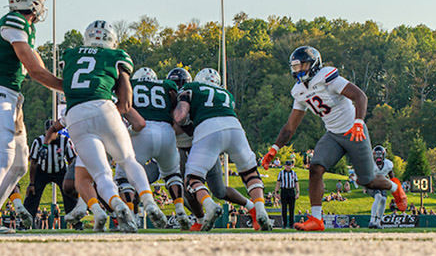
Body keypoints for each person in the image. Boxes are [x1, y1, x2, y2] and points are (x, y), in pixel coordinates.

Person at [261, 46, 407, 231]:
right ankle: (316, 219)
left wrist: (359, 122)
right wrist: (275, 148)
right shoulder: (298, 90)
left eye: (302, 66)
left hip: (354, 131)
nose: (298, 71)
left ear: (314, 65)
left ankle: (395, 188)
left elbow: (360, 96)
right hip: (333, 134)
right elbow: (290, 126)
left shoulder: (327, 77)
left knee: (366, 180)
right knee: (315, 168)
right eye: (296, 67)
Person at [57, 20, 167, 231]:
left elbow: (68, 84)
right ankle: (149, 201)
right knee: (127, 160)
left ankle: (116, 204)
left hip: (75, 114)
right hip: (104, 107)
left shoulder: (71, 55)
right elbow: (125, 103)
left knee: (100, 175)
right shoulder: (116, 56)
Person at [0, 0, 63, 234]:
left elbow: (39, 67)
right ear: (34, 3)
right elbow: (35, 71)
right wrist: (69, 88)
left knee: (20, 164)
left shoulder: (24, 27)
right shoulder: (14, 22)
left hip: (11, 99)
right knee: (3, 157)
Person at [173, 68, 272, 230]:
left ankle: (211, 206)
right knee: (250, 173)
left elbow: (180, 116)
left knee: (192, 180)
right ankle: (260, 209)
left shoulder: (190, 89)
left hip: (206, 133)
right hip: (234, 128)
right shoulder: (226, 94)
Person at [113, 67, 187, 226]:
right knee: (172, 174)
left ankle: (131, 217)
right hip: (167, 130)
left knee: (123, 176)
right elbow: (175, 106)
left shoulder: (131, 84)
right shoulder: (167, 85)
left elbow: (123, 104)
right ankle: (180, 209)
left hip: (142, 131)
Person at [25, 119, 78, 223]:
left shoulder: (65, 141)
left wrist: (71, 177)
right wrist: (31, 183)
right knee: (33, 195)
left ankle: (76, 222)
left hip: (61, 171)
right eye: (48, 131)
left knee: (69, 194)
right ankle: (25, 221)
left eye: (53, 132)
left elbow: (72, 159)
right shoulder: (38, 142)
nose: (50, 134)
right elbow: (33, 163)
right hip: (42, 171)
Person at [366, 146, 398, 229]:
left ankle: (378, 222)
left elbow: (392, 176)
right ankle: (372, 221)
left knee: (383, 200)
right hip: (372, 183)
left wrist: (395, 186)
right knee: (378, 197)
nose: (378, 158)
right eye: (376, 155)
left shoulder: (388, 164)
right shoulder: (370, 164)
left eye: (380, 155)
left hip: (382, 183)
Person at [277, 159, 300, 229]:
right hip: (284, 190)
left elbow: (296, 183)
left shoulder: (294, 173)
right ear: (284, 166)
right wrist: (277, 192)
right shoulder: (281, 173)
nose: (288, 167)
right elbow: (278, 182)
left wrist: (298, 192)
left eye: (289, 165)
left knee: (291, 209)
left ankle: (291, 224)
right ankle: (284, 224)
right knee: (284, 208)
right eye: (287, 166)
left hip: (291, 191)